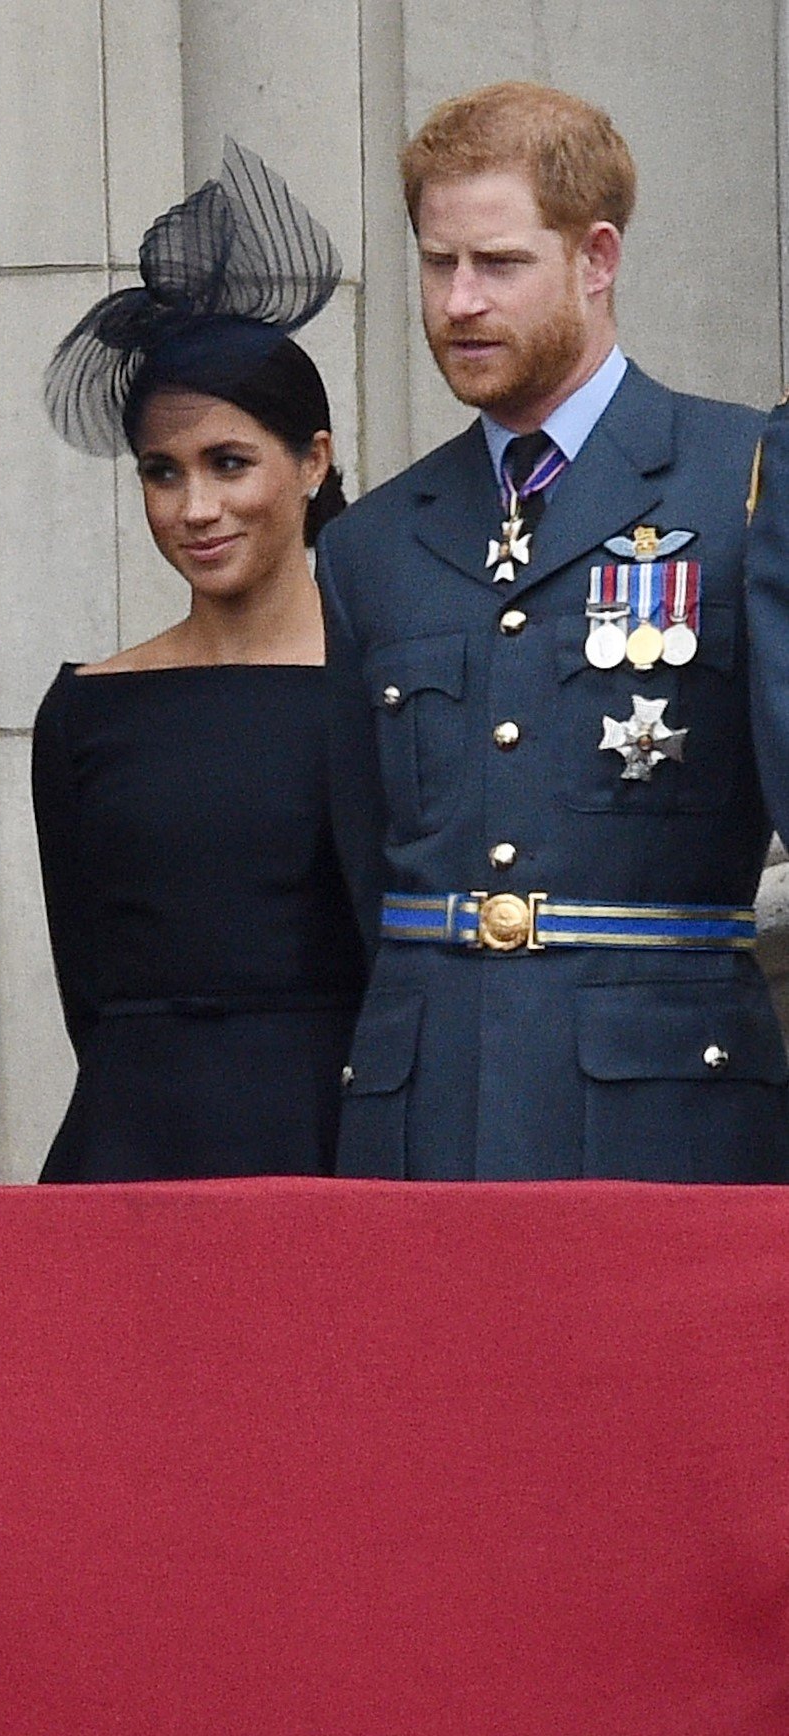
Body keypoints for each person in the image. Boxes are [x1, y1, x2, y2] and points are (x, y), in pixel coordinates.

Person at [321, 83, 786, 1181]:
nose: (459, 300)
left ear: (595, 258)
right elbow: (363, 862)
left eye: (497, 263)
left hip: (663, 1115)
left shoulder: (746, 483)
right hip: (422, 1115)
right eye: (436, 265)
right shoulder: (372, 541)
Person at [33, 144, 366, 1181]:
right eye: (161, 472)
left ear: (311, 460)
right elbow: (85, 986)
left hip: (338, 1154)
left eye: (229, 462)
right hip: (128, 1162)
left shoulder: (382, 685)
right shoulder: (84, 709)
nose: (194, 508)